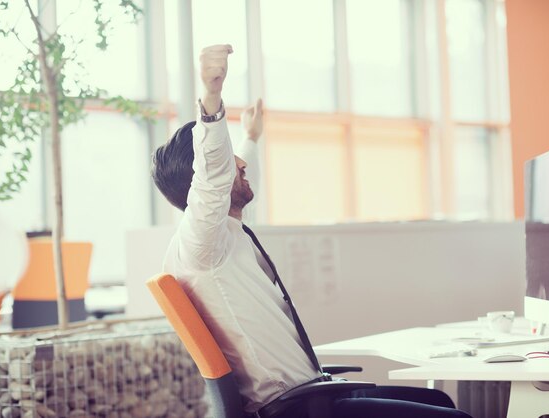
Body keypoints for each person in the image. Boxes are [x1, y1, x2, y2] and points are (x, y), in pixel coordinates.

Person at [151, 44, 471, 418]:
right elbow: (214, 174)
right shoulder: (200, 245)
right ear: (206, 180)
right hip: (296, 408)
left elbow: (230, 170)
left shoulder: (219, 237)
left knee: (441, 403)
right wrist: (211, 97)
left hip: (313, 396)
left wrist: (251, 138)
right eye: (228, 160)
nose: (239, 163)